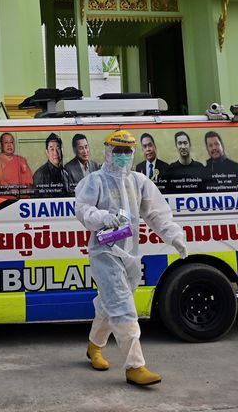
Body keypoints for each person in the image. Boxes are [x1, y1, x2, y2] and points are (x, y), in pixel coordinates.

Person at [75, 130, 189, 387]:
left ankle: (94, 346)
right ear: (107, 151)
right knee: (122, 303)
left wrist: (174, 236)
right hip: (104, 251)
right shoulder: (96, 181)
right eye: (119, 151)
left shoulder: (139, 181)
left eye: (128, 151)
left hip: (130, 254)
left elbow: (157, 214)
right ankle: (135, 366)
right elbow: (82, 209)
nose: (124, 155)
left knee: (109, 303)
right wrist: (103, 217)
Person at [33, 133, 75, 197]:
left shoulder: (65, 173)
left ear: (62, 150)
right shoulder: (40, 174)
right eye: (52, 149)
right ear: (47, 152)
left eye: (58, 148)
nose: (55, 153)